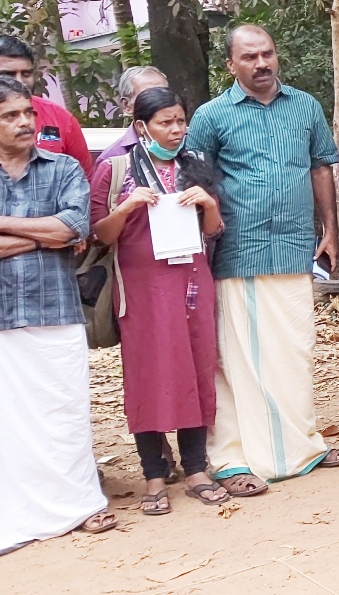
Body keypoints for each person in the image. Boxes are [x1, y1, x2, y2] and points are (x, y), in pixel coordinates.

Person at [186, 24, 339, 496]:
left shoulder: (304, 107)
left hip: (296, 246)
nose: (261, 64)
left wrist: (331, 232)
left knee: (294, 352)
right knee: (239, 359)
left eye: (268, 54)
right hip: (237, 251)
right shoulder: (211, 116)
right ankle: (236, 456)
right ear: (230, 65)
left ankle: (301, 445)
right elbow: (195, 184)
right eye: (250, 57)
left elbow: (321, 166)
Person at [89, 87, 230, 515]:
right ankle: (153, 473)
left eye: (180, 121)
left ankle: (195, 469)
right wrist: (128, 205)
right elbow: (99, 234)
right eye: (165, 122)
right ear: (141, 127)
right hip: (142, 289)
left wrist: (207, 204)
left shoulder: (195, 164)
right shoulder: (114, 169)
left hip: (191, 283)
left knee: (195, 367)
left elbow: (214, 230)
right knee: (147, 376)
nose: (175, 130)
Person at [0, 76, 113, 553]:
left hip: (56, 309)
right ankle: (17, 514)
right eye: (10, 116)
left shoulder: (63, 167)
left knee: (64, 413)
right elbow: (59, 232)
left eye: (27, 113)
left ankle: (78, 505)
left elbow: (74, 226)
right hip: (5, 315)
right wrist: (46, 235)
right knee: (10, 423)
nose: (25, 122)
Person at [0, 35, 91, 175]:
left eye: (26, 74)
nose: (20, 81)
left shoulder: (60, 118)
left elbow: (85, 178)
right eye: (8, 74)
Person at [96, 65, 170, 167]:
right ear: (127, 105)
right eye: (148, 96)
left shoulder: (188, 147)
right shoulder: (112, 159)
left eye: (165, 94)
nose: (160, 102)